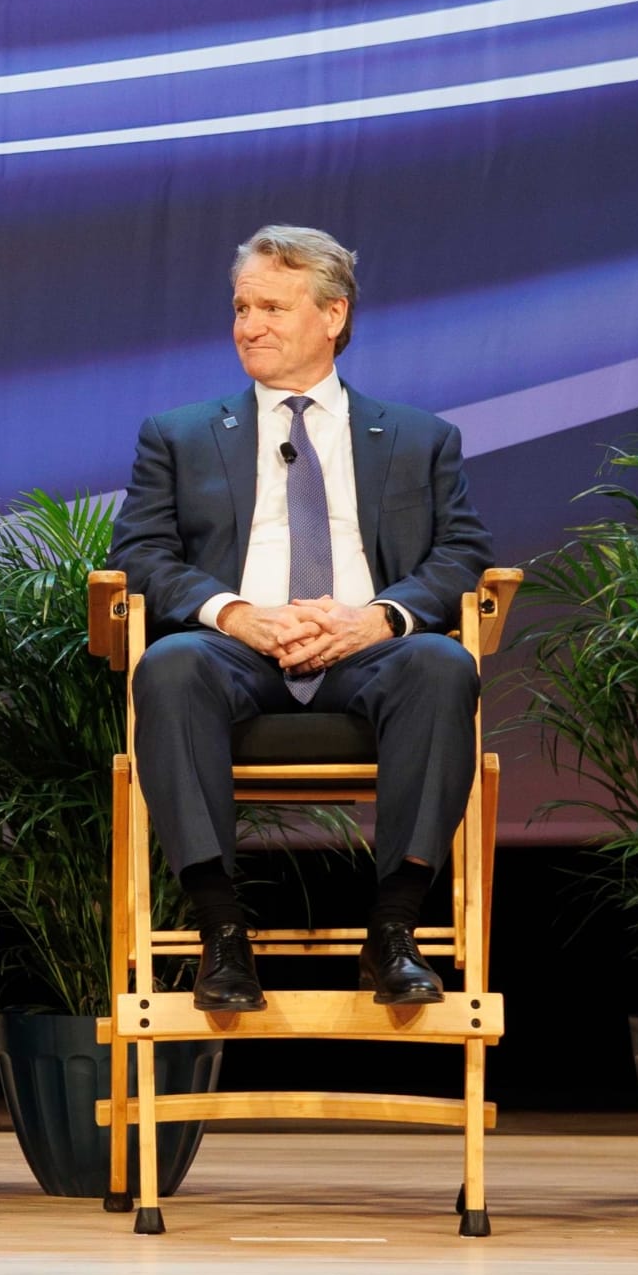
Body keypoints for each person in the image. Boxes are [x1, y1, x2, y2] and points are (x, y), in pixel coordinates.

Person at [110, 224, 493, 1011]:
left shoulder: (420, 439)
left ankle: (393, 930)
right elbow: (141, 555)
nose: (249, 325)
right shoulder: (179, 437)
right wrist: (236, 613)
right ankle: (223, 937)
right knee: (169, 664)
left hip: (367, 651)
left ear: (332, 314)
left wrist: (380, 618)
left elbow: (462, 556)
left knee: (444, 664)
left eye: (273, 308)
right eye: (242, 306)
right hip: (236, 654)